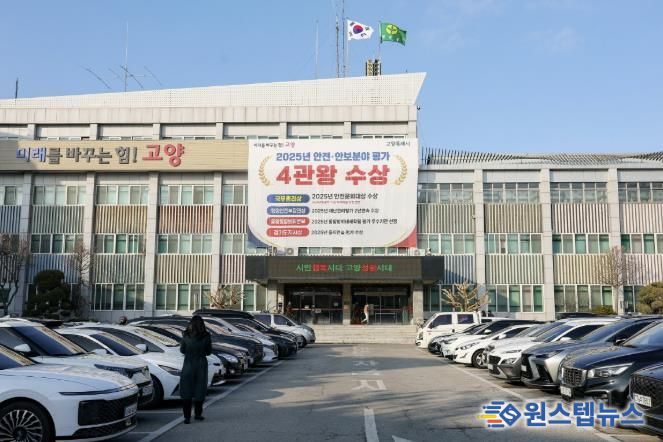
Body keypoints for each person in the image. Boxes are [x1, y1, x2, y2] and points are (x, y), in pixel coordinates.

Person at [179, 315, 212, 424]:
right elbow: (209, 352)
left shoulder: (186, 335)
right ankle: (198, 414)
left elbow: (182, 350)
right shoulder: (206, 336)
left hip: (188, 364)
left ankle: (187, 417)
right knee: (200, 389)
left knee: (186, 390)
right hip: (201, 364)